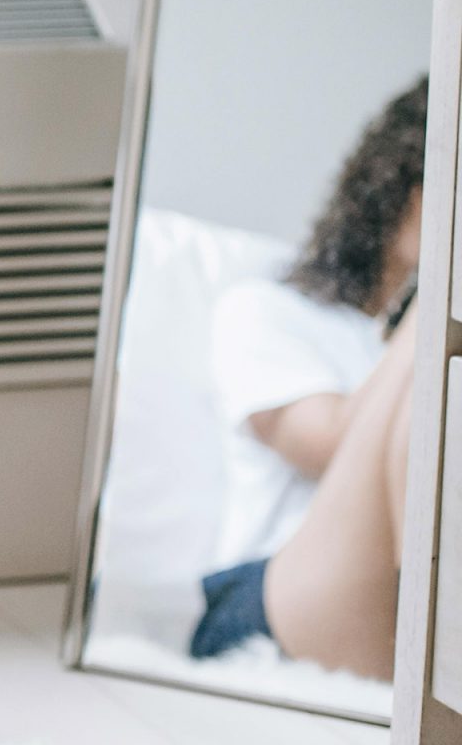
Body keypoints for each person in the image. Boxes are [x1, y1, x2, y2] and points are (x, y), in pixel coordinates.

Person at [190, 75, 428, 680]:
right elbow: (327, 446)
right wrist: (432, 300)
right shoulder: (263, 309)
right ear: (394, 182)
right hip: (264, 602)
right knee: (418, 414)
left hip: (402, 599)